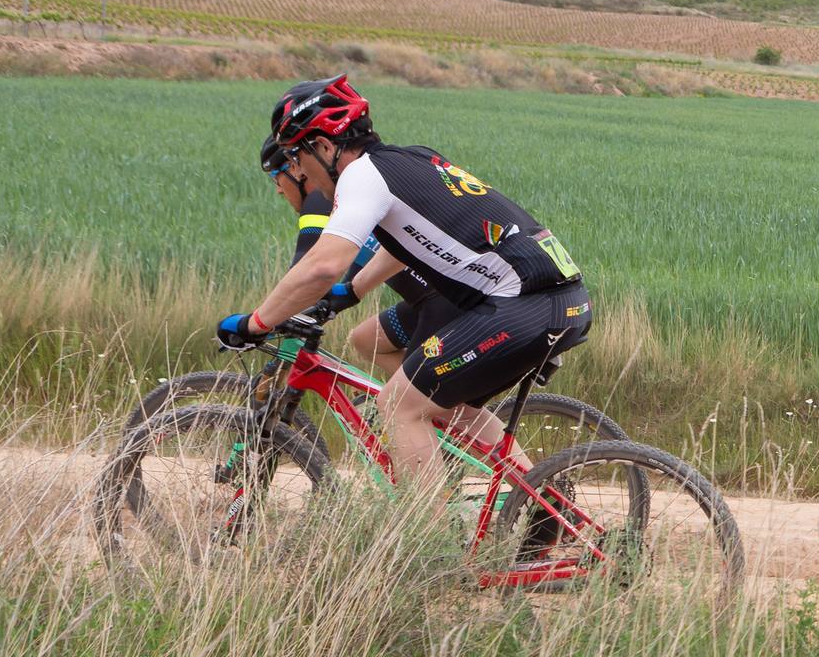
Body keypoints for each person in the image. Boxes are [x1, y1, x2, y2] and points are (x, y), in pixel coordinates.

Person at [221, 74, 591, 492]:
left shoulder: (362, 177)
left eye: (294, 156)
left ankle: (434, 549)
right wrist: (355, 289)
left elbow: (321, 266)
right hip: (561, 301)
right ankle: (543, 503)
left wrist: (255, 323)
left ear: (323, 146)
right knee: (446, 406)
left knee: (398, 405)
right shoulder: (410, 160)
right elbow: (407, 242)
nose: (295, 169)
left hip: (523, 306)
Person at [260, 135, 443, 381]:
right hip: (428, 301)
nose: (279, 189)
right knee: (366, 340)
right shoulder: (350, 198)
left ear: (296, 169)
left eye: (275, 178)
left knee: (407, 402)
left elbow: (307, 271)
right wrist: (330, 303)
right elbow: (352, 272)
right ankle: (436, 408)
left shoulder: (320, 201)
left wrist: (259, 321)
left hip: (441, 303)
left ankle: (437, 409)